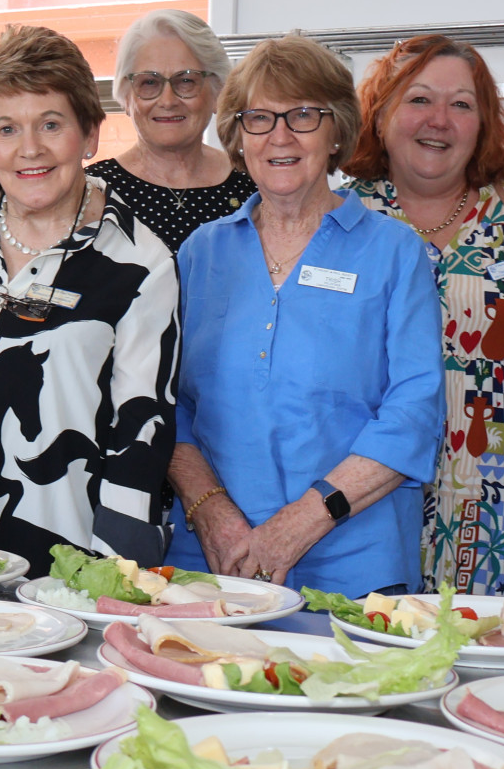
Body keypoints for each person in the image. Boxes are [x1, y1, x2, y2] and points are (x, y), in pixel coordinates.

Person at [169, 34, 444, 596]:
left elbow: (414, 412)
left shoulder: (394, 252)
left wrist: (298, 525)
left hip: (354, 563)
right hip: (215, 560)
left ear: (337, 129)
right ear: (237, 135)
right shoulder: (201, 252)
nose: (280, 137)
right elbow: (166, 405)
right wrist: (214, 517)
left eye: (302, 115)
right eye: (259, 119)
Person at [0, 25, 178, 574]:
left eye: (51, 124)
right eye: (7, 128)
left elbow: (142, 431)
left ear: (90, 135)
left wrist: (115, 576)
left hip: (62, 558)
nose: (30, 149)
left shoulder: (139, 262)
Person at [341, 35, 504, 599]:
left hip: (495, 511)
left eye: (461, 104)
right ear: (380, 114)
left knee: (489, 671)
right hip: (364, 506)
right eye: (419, 99)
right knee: (369, 669)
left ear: (483, 122)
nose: (439, 119)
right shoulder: (339, 218)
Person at [87, 9, 256, 251]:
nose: (167, 100)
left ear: (218, 90)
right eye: (149, 82)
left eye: (186, 80)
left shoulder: (254, 184)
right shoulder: (92, 191)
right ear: (126, 97)